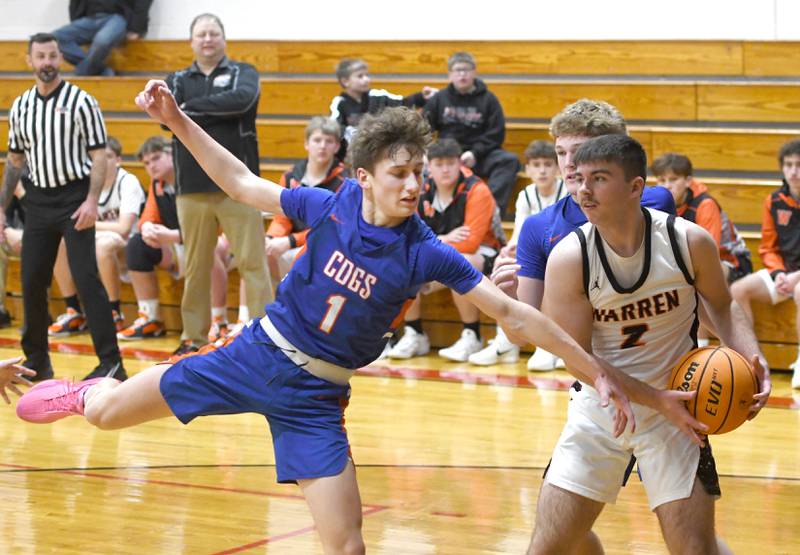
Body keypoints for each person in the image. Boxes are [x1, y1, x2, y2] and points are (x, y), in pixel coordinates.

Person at [17, 83, 639, 555]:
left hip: (314, 396)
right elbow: (238, 181)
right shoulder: (330, 204)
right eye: (400, 174)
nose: (413, 185)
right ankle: (86, 388)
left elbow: (515, 315)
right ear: (363, 177)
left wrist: (598, 374)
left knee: (347, 544)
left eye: (418, 174)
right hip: (253, 353)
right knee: (105, 415)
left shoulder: (426, 249)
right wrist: (175, 119)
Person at [527, 133, 770, 555]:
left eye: (599, 179)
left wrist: (751, 356)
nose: (584, 190)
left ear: (636, 187)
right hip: (600, 410)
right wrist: (655, 398)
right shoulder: (570, 258)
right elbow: (578, 359)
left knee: (695, 550)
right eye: (580, 179)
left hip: (677, 411)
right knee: (549, 548)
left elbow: (723, 306)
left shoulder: (688, 241)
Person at [491, 99, 675, 372]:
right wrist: (507, 300)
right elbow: (519, 337)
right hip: (595, 380)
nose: (568, 164)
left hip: (667, 363)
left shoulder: (656, 203)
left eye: (578, 152)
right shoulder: (539, 227)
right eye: (561, 152)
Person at [2, 33, 126, 382]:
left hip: (75, 198)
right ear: (29, 60)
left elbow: (99, 155)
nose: (47, 63)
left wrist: (91, 200)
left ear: (60, 58)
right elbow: (14, 161)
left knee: (87, 279)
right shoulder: (21, 106)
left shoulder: (82, 101)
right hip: (38, 201)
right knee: (31, 281)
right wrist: (2, 206)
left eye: (53, 56)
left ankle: (112, 363)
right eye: (40, 56)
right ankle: (37, 363)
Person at [166, 13, 271, 355]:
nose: (208, 39)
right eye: (201, 34)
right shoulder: (177, 79)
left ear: (223, 39)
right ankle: (193, 338)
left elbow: (241, 100)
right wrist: (183, 111)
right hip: (192, 189)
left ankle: (264, 338)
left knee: (253, 262)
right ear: (191, 42)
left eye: (214, 33)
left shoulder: (245, 73)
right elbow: (168, 118)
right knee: (195, 266)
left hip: (239, 186)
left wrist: (188, 110)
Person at [387, 138, 503, 361]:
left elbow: (470, 243)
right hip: (438, 252)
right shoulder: (420, 189)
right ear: (429, 166)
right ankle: (415, 332)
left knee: (462, 262)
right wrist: (444, 238)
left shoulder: (477, 190)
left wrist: (431, 244)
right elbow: (407, 236)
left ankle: (472, 334)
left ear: (461, 164)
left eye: (451, 163)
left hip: (486, 251)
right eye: (439, 164)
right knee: (403, 262)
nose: (445, 169)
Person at [469, 140, 567, 366]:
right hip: (537, 253)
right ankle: (505, 343)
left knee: (546, 271)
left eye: (547, 164)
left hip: (561, 253)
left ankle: (549, 346)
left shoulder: (565, 191)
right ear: (528, 169)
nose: (542, 170)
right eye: (536, 165)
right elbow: (520, 232)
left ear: (557, 168)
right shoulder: (526, 194)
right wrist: (509, 248)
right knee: (503, 266)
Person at [652, 152, 752, 347]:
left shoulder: (705, 204)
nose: (667, 185)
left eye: (673, 179)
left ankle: (722, 347)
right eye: (661, 180)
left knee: (699, 279)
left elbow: (710, 252)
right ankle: (698, 346)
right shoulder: (660, 205)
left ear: (688, 180)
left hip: (732, 259)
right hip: (690, 261)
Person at [48, 136, 145, 336]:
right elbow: (72, 222)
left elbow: (124, 228)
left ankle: (114, 311)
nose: (101, 162)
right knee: (57, 242)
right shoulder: (86, 184)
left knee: (104, 244)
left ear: (118, 160)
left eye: (108, 156)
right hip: (96, 241)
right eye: (96, 157)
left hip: (131, 246)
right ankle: (73, 309)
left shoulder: (128, 181)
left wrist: (89, 222)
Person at [731, 139, 800, 388]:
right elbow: (768, 248)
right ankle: (753, 360)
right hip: (784, 274)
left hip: (798, 279)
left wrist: (795, 277)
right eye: (789, 165)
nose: (794, 171)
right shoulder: (774, 201)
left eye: (799, 165)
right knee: (738, 290)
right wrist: (780, 273)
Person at [423, 51, 520, 215]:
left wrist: (475, 153)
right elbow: (422, 127)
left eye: (466, 70)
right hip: (447, 156)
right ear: (450, 75)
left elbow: (496, 134)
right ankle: (432, 213)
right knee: (422, 162)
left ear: (474, 72)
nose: (462, 74)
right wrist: (425, 152)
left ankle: (489, 212)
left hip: (478, 156)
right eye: (457, 70)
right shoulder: (439, 99)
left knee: (509, 161)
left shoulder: (489, 99)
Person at [116, 136, 182, 341]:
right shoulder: (157, 185)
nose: (151, 166)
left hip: (206, 243)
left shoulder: (189, 180)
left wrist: (171, 235)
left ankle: (218, 321)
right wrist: (147, 230)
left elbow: (208, 228)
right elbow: (147, 218)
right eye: (146, 163)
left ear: (172, 154)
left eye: (156, 158)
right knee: (137, 244)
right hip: (177, 245)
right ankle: (150, 317)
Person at [330, 58, 435, 154]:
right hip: (351, 153)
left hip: (379, 150)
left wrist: (422, 97)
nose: (366, 79)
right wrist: (348, 132)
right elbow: (334, 127)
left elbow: (403, 102)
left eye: (367, 75)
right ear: (345, 81)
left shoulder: (378, 96)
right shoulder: (339, 103)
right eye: (360, 76)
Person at [53, 0, 153, 76]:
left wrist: (136, 28)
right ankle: (102, 70)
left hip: (117, 18)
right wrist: (76, 22)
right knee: (55, 38)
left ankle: (82, 72)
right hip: (90, 18)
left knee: (102, 40)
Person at [0, 174, 28, 328]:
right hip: (19, 238)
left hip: (46, 238)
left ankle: (37, 314)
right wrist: (7, 229)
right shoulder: (19, 177)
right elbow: (4, 214)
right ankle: (0, 310)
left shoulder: (47, 179)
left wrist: (22, 194)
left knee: (34, 248)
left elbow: (43, 219)